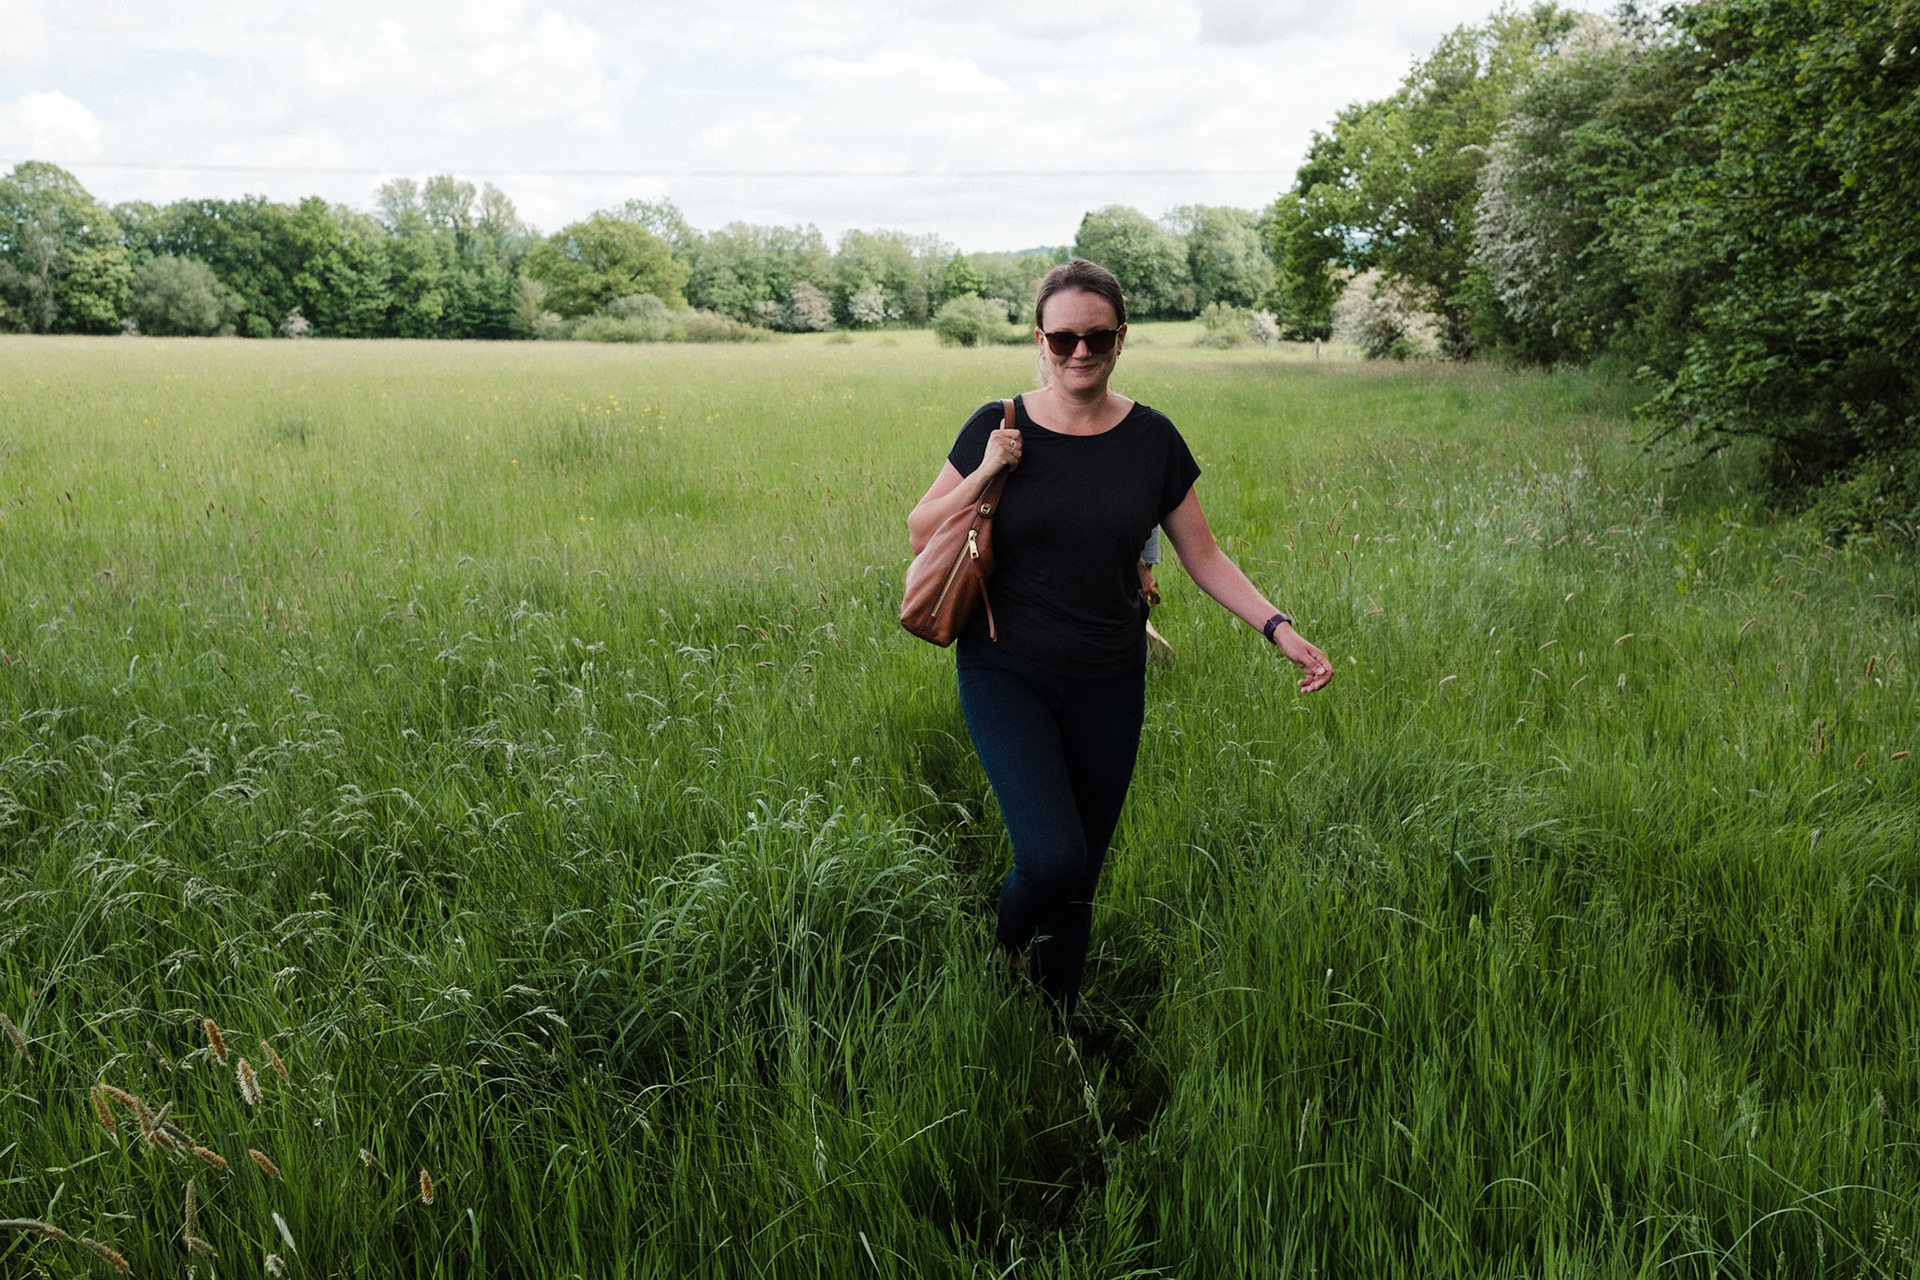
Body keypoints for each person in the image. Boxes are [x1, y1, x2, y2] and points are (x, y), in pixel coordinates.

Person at [906, 258, 1334, 1019]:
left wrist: (1278, 627)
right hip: (1006, 669)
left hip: (1109, 678)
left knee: (1082, 877)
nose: (1080, 352)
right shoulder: (997, 423)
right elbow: (920, 530)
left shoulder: (1151, 439)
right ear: (1040, 340)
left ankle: (1057, 1023)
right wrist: (988, 468)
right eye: (1063, 338)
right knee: (1051, 858)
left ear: (1121, 338)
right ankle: (1003, 951)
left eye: (1096, 337)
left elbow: (1203, 554)